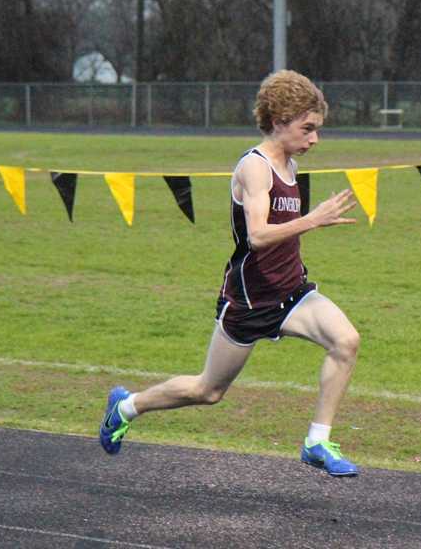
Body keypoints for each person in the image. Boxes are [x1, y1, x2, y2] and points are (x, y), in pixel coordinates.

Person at [99, 69, 362, 476]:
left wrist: (306, 226)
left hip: (292, 293)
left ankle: (317, 441)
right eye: (307, 129)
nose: (315, 139)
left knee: (346, 341)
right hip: (250, 300)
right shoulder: (255, 168)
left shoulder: (290, 165)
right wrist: (313, 219)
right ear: (279, 121)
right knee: (208, 391)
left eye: (317, 130)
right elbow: (257, 236)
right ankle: (127, 406)